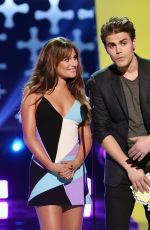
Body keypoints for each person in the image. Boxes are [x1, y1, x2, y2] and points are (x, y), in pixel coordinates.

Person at [21, 37, 92, 230]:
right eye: (67, 59)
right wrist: (51, 166)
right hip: (45, 171)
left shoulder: (80, 96)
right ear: (53, 61)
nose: (74, 63)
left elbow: (87, 137)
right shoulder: (34, 94)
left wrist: (76, 163)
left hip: (75, 174)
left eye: (75, 58)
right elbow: (29, 136)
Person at [87, 16, 150, 230]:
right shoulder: (99, 81)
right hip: (121, 168)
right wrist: (130, 168)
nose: (118, 50)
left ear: (133, 42)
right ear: (106, 48)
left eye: (123, 43)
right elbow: (102, 131)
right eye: (111, 45)